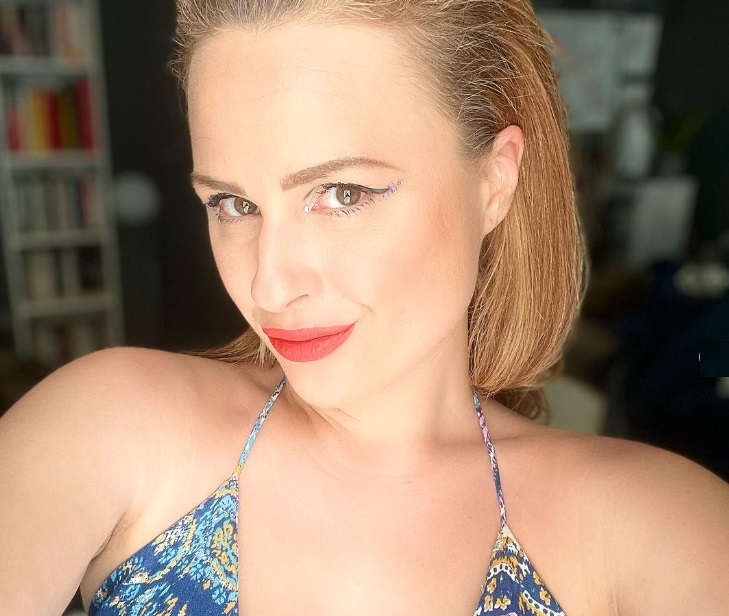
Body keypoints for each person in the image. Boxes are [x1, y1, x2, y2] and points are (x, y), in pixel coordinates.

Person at [1, 0, 728, 614]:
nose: (269, 287)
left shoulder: (658, 529)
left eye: (342, 194)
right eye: (233, 204)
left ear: (495, 180)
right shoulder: (115, 424)